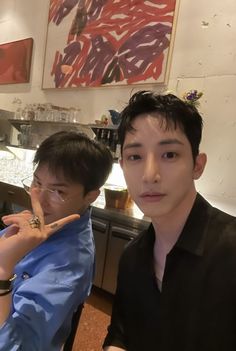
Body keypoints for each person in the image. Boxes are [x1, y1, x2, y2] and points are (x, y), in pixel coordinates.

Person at [103, 90, 236, 351]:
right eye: (135, 157)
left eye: (170, 155)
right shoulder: (133, 256)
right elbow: (120, 333)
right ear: (122, 166)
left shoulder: (230, 252)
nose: (149, 175)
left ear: (197, 165)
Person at [0, 131, 113, 350]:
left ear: (91, 196)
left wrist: (3, 269)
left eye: (58, 191)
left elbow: (17, 345)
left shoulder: (71, 261)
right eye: (37, 182)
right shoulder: (37, 224)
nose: (39, 200)